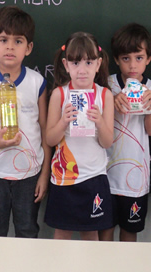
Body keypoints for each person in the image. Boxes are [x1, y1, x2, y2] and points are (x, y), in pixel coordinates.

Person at [0, 6, 51, 238]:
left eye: (18, 41)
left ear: (29, 48)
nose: (10, 47)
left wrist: (45, 174)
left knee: (27, 230)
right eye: (4, 40)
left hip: (29, 174)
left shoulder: (37, 82)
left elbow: (44, 129)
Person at [44, 32, 115, 240]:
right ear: (66, 65)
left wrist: (99, 121)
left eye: (89, 63)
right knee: (62, 232)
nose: (82, 70)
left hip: (94, 176)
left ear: (98, 64)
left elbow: (107, 142)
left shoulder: (105, 95)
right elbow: (50, 139)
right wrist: (63, 122)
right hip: (64, 177)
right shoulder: (59, 94)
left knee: (91, 233)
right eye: (75, 63)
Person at [99, 23, 151, 242]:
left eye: (139, 57)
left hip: (136, 178)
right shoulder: (107, 85)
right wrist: (111, 101)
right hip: (105, 174)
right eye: (126, 58)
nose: (133, 65)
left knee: (129, 232)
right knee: (105, 231)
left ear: (149, 58)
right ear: (116, 60)